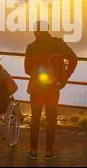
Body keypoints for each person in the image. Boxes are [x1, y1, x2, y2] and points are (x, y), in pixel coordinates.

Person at [24, 21, 77, 160]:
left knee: (35, 119)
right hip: (53, 87)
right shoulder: (58, 44)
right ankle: (49, 151)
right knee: (51, 119)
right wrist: (65, 77)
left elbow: (27, 69)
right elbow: (74, 59)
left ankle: (33, 150)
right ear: (47, 30)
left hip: (36, 87)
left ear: (36, 31)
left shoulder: (31, 47)